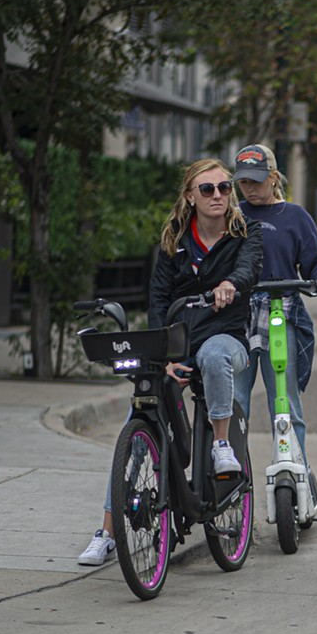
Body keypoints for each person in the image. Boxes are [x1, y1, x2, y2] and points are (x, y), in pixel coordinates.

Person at [79, 159, 259, 566]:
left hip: (226, 338)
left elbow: (249, 268)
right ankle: (107, 533)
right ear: (190, 197)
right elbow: (158, 301)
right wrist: (162, 357)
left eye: (225, 187)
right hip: (178, 344)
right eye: (208, 189)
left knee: (215, 355)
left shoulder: (246, 232)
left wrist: (230, 284)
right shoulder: (173, 242)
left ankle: (223, 446)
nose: (218, 195)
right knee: (138, 419)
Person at [230, 144, 317, 478]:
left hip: (281, 312)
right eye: (244, 182)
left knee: (285, 403)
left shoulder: (294, 217)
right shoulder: (233, 215)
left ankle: (298, 476)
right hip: (238, 317)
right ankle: (231, 480)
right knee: (234, 405)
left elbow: (315, 260)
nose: (249, 188)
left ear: (273, 177)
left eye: (256, 181)